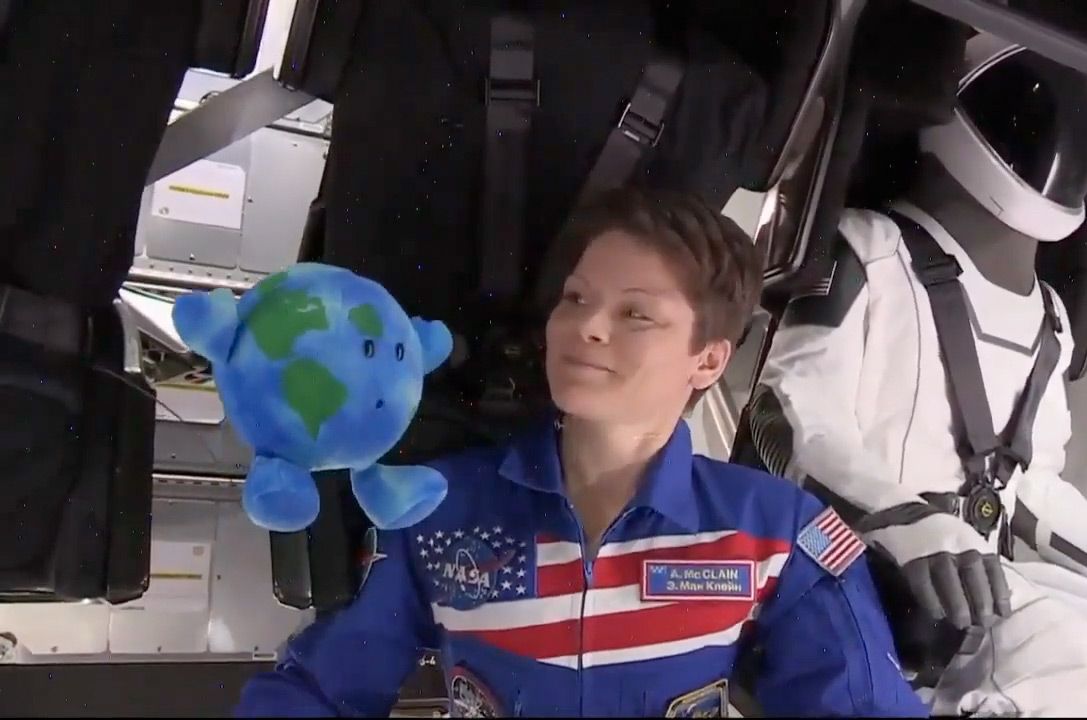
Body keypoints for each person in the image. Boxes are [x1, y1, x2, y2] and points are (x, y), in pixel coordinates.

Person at [233, 187, 926, 717]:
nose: (586, 327)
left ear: (709, 359)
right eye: (575, 298)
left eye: (635, 314)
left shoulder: (776, 534)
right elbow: (321, 690)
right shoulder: (437, 507)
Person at [751, 34, 1087, 716]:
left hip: (974, 589)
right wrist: (913, 527)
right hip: (864, 566)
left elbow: (1029, 487)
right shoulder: (867, 250)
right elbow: (788, 416)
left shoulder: (1049, 316)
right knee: (1058, 651)